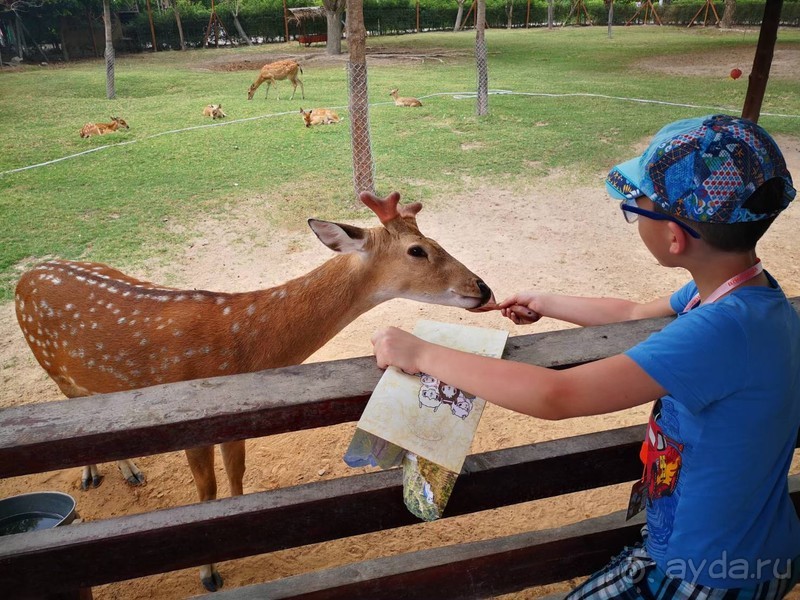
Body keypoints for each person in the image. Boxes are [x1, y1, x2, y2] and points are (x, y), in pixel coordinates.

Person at [371, 114, 800, 599]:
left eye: (637, 211)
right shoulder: (742, 294)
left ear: (674, 237)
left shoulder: (719, 332)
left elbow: (560, 395)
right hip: (753, 548)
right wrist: (545, 301)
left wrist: (422, 352)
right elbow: (635, 312)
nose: (634, 219)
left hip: (707, 572)